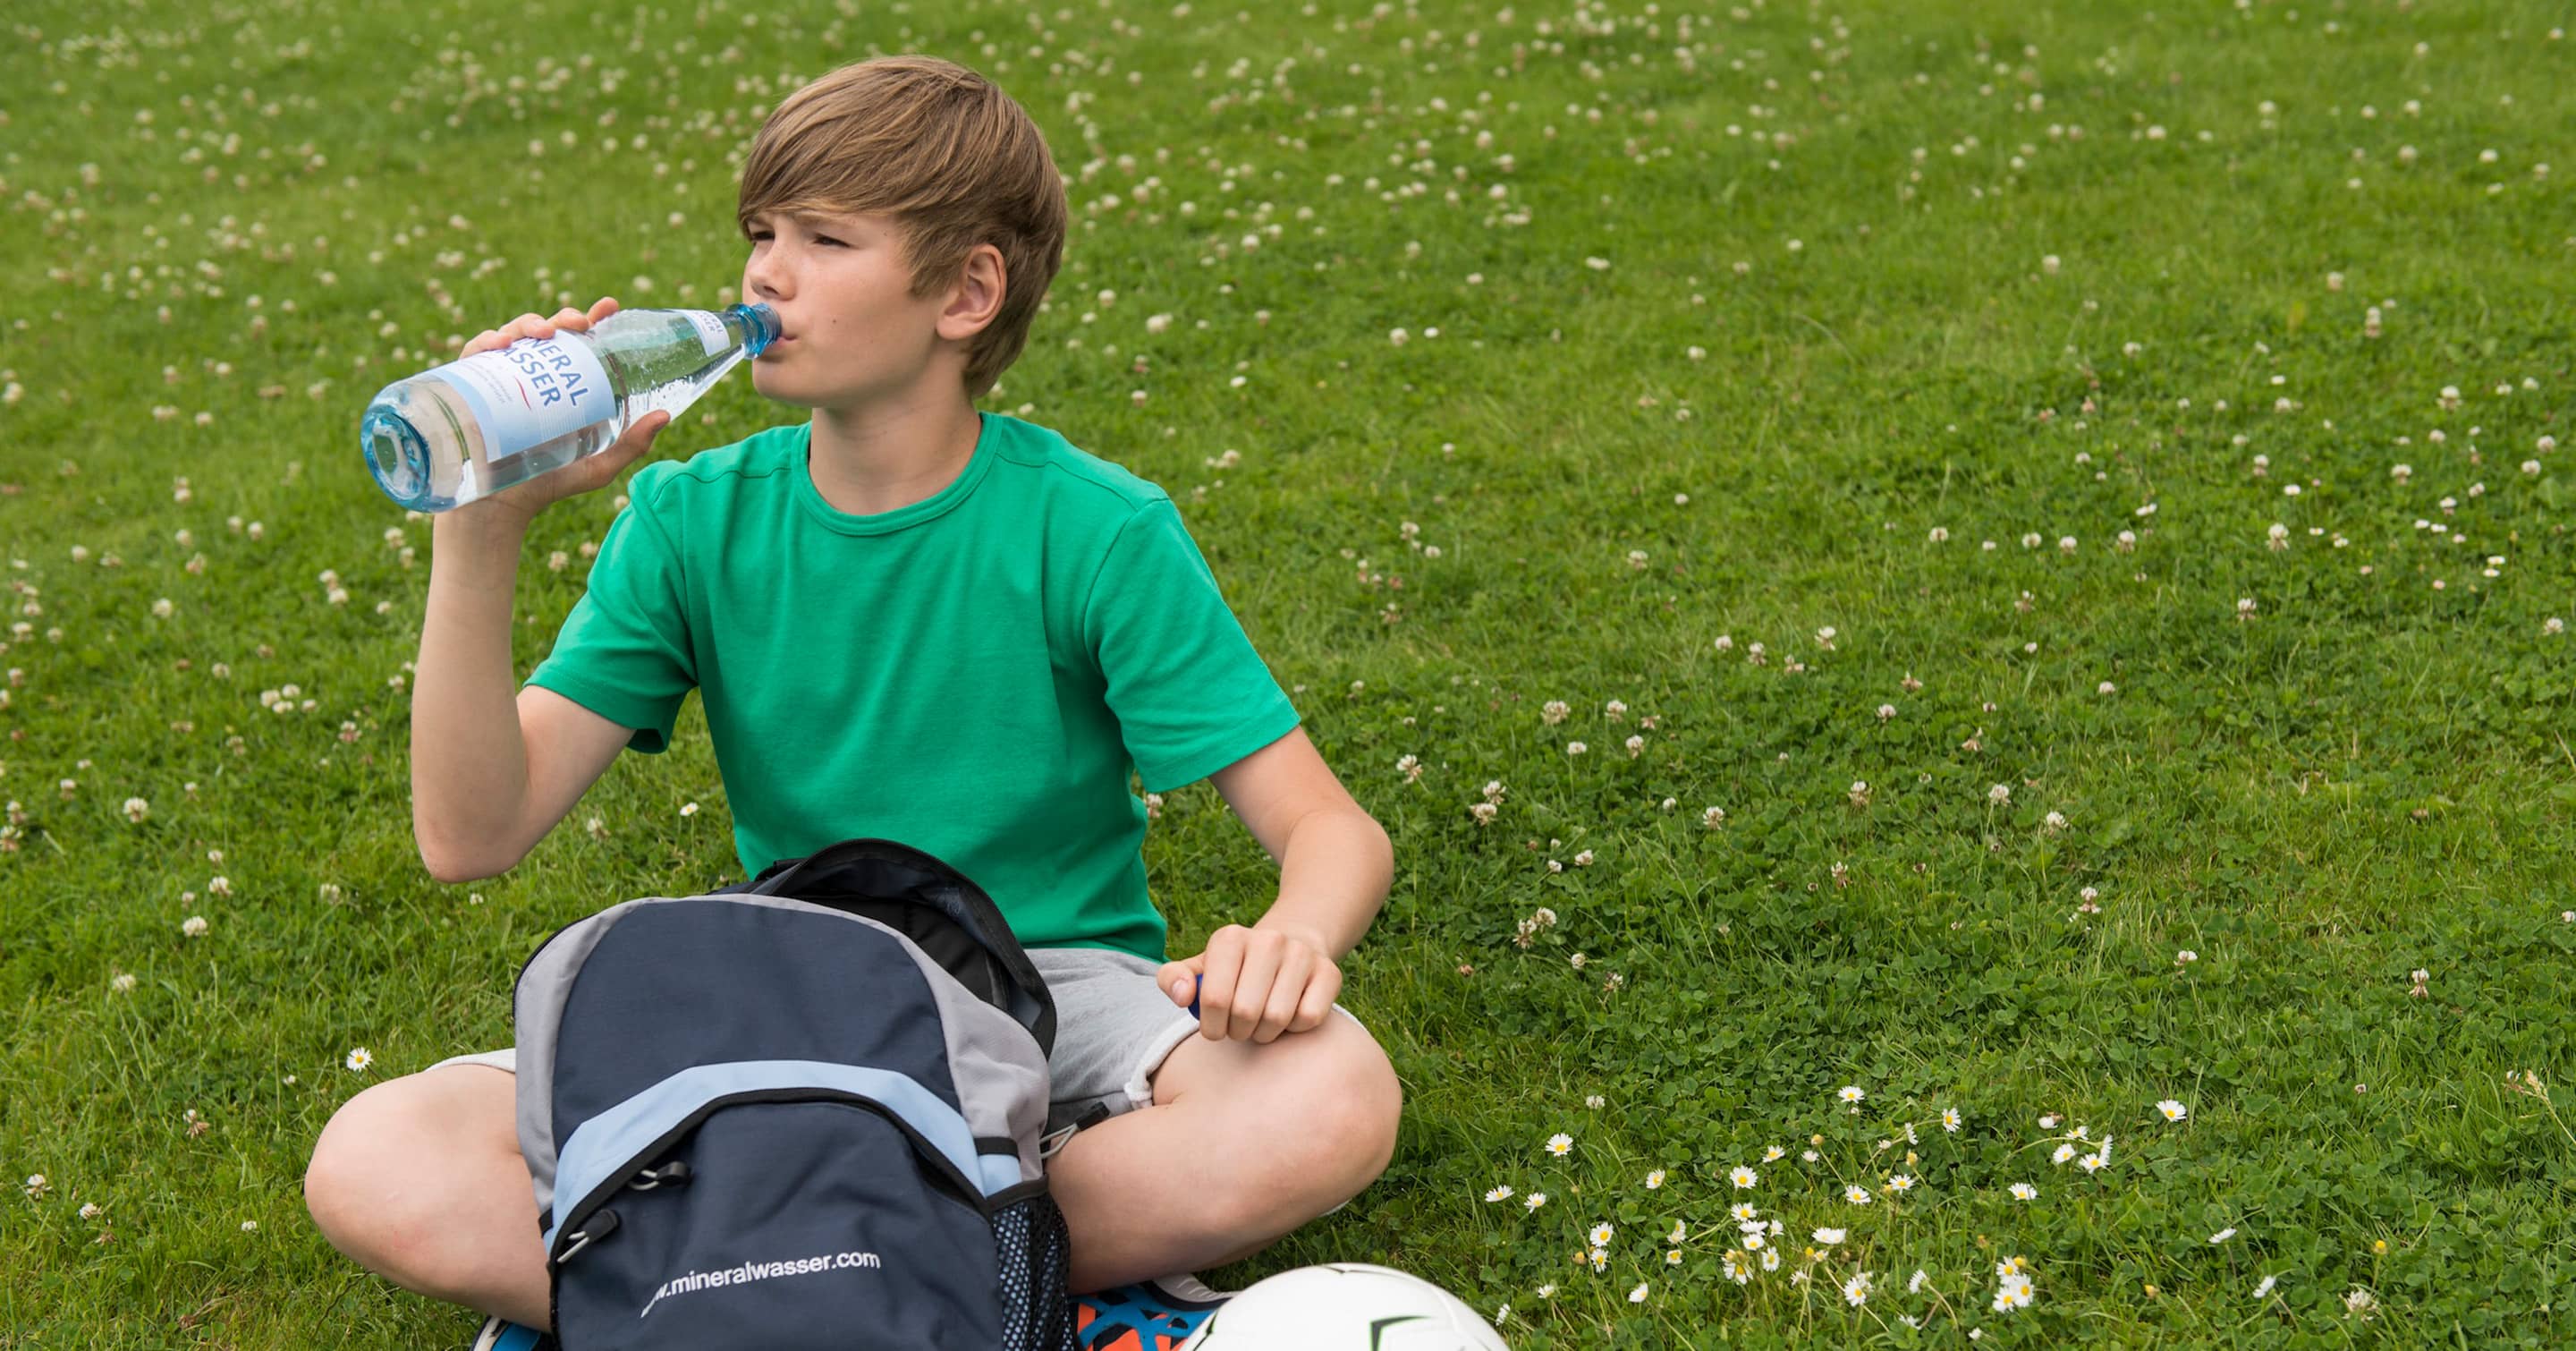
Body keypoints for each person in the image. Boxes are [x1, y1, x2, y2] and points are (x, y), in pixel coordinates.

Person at [302, 55, 1402, 1349]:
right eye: (761, 234)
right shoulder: (691, 518)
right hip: (793, 993)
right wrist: (482, 531)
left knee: (1331, 1093)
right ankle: (960, 1272)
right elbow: (470, 836)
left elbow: (1335, 831)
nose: (765, 274)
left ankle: (735, 1278)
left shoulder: (1091, 530)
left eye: (824, 240)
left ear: (967, 290)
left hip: (1053, 989)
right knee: (375, 1156)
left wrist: (1292, 936)